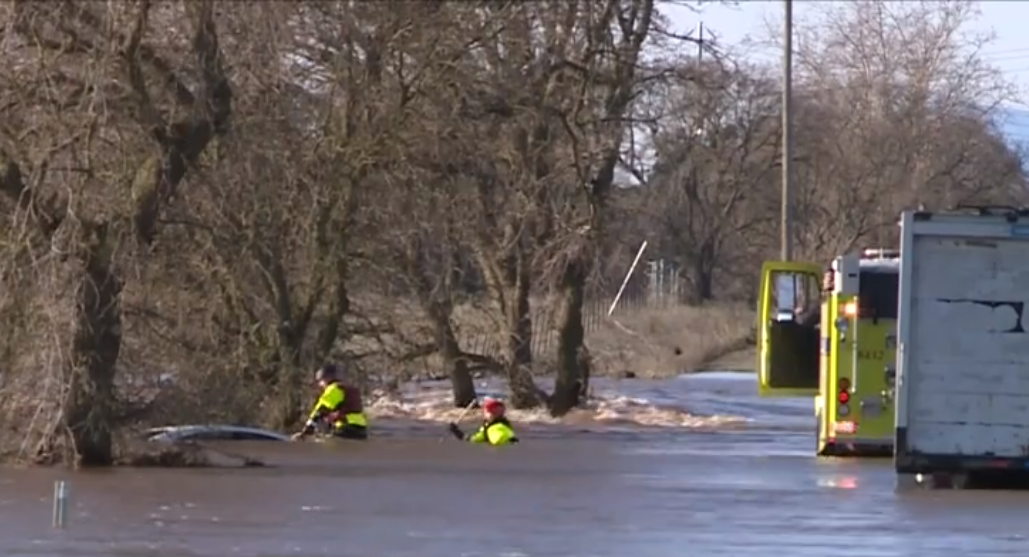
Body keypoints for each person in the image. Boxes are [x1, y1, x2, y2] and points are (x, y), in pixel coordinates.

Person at [291, 363, 369, 441]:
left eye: (320, 381)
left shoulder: (333, 389)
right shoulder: (349, 389)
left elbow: (320, 410)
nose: (320, 385)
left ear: (326, 378)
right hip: (361, 430)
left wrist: (305, 431)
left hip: (345, 428)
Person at [448, 397, 519, 445]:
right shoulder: (487, 427)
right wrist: (458, 433)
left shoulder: (499, 427)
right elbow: (475, 438)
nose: (484, 415)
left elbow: (502, 439)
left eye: (487, 412)